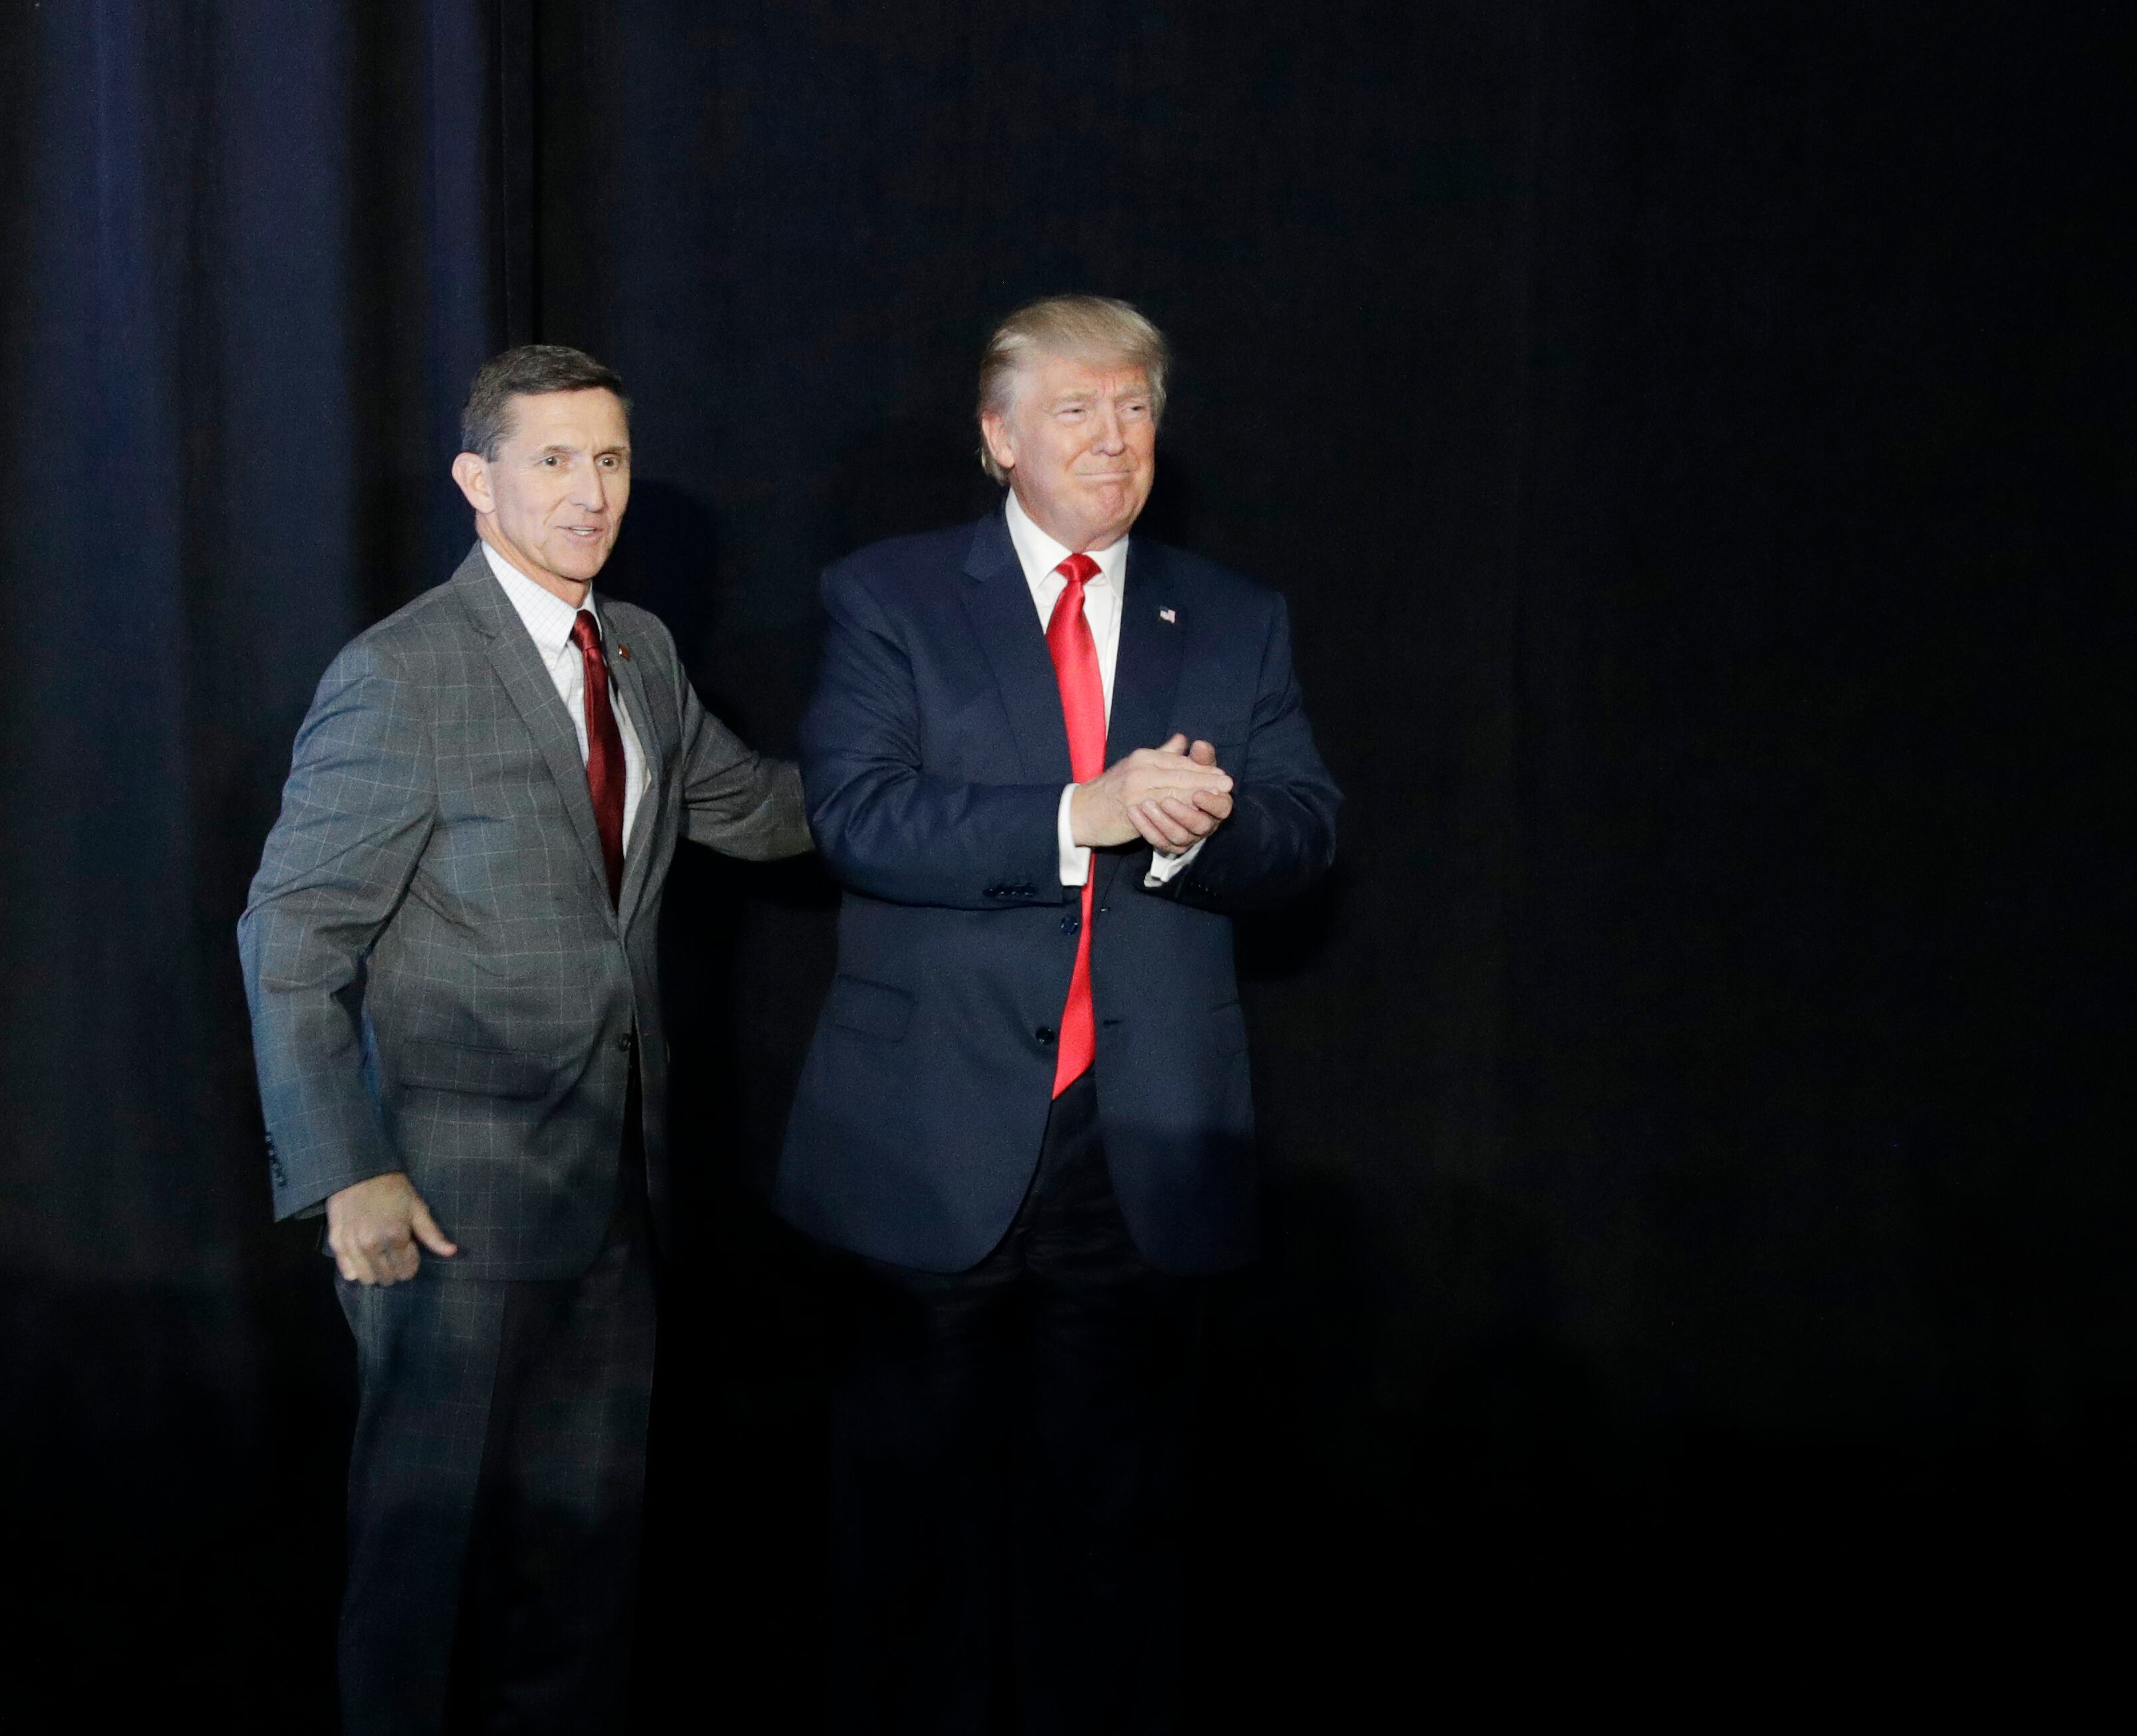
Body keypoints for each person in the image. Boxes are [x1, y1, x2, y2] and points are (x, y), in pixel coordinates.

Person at [776, 295, 1341, 1733]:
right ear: (997, 437)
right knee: (904, 1536)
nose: (1112, 438)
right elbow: (858, 818)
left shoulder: (1230, 615)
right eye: (1077, 410)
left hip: (1137, 1145)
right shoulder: (886, 597)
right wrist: (1080, 812)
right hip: (927, 1140)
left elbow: (1305, 835)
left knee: (1116, 1537)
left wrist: (1180, 831)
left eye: (1136, 408)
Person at [238, 344, 808, 1735]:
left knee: (584, 1549)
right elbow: (290, 935)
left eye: (608, 459)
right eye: (552, 460)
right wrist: (346, 1172)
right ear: (475, 481)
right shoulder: (403, 675)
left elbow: (764, 811)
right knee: (423, 1557)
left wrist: (1031, 798)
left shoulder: (645, 652)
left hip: (617, 1185)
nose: (588, 491)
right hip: (442, 1201)